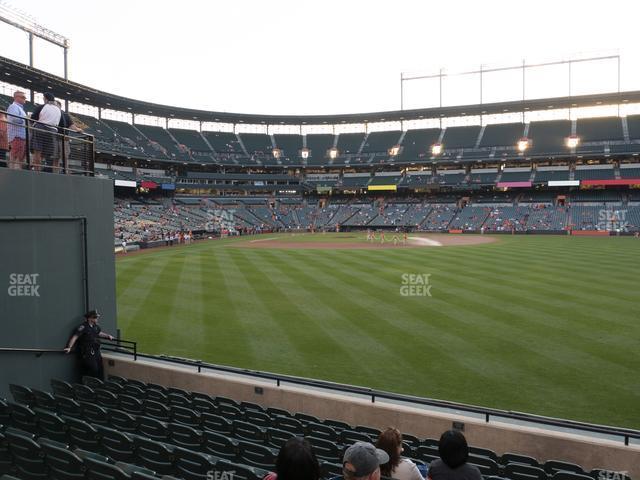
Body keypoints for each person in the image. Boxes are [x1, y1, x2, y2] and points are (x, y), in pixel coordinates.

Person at [63, 309, 114, 380]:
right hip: (87, 351)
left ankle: (98, 385)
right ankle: (90, 385)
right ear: (90, 318)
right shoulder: (83, 327)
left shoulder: (95, 326)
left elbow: (99, 333)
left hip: (96, 351)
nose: (97, 319)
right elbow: (75, 337)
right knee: (93, 369)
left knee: (100, 368)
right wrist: (69, 347)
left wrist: (108, 336)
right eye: (95, 317)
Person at [30, 91, 61, 172]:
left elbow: (33, 118)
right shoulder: (58, 109)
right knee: (46, 154)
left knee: (37, 151)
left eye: (43, 98)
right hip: (53, 131)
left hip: (41, 128)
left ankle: (37, 171)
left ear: (46, 98)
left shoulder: (42, 106)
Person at [7, 90, 27, 170]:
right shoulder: (14, 106)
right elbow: (14, 119)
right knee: (16, 156)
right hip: (17, 136)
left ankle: (17, 172)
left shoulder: (20, 108)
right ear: (16, 97)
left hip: (21, 136)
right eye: (23, 97)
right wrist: (25, 119)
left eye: (25, 97)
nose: (25, 99)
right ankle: (14, 173)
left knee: (20, 156)